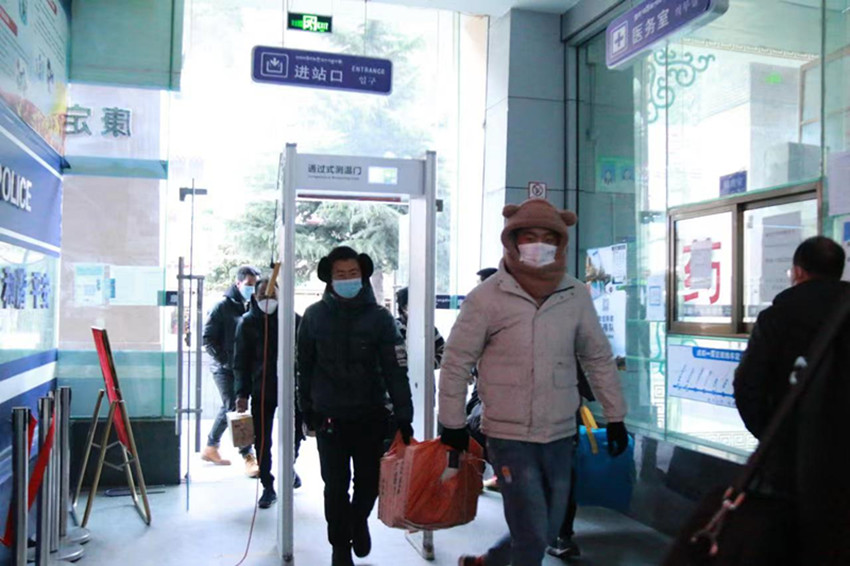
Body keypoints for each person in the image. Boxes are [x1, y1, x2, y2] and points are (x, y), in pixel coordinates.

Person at [438, 198, 629, 566]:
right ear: (512, 241)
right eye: (529, 237)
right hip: (508, 434)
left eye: (549, 238)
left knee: (549, 524)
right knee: (531, 532)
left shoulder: (574, 294)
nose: (539, 245)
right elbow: (456, 361)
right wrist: (452, 424)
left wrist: (615, 415)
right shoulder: (486, 298)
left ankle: (490, 562)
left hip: (560, 431)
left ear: (560, 244)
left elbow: (596, 357)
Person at [298, 246, 414, 566]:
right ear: (329, 278)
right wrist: (304, 409)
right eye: (341, 274)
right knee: (335, 486)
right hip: (329, 416)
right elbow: (304, 368)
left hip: (370, 416)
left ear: (363, 276)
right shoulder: (313, 316)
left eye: (353, 274)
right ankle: (339, 547)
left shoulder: (380, 319)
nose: (347, 279)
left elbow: (395, 369)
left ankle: (358, 519)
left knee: (369, 482)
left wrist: (404, 415)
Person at [734, 236, 849, 497]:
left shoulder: (777, 317)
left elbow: (748, 386)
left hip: (792, 455)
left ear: (798, 272)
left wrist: (772, 437)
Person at [233, 278, 304, 509]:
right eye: (263, 295)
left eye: (272, 295)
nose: (268, 299)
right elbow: (240, 362)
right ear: (255, 296)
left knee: (295, 434)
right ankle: (267, 484)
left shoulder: (292, 320)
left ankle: (289, 467)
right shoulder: (247, 323)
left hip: (291, 389)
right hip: (261, 389)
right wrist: (241, 393)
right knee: (262, 439)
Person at [201, 265, 260, 475]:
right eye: (249, 285)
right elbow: (207, 339)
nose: (252, 289)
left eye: (255, 285)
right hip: (224, 369)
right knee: (236, 407)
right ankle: (248, 456)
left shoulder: (252, 306)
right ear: (238, 283)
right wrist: (226, 360)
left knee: (229, 406)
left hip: (244, 368)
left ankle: (211, 446)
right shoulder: (222, 307)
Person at [394, 286, 445, 369]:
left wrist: (427, 365)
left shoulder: (429, 328)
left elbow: (444, 352)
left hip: (423, 376)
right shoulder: (394, 328)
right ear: (404, 308)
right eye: (417, 304)